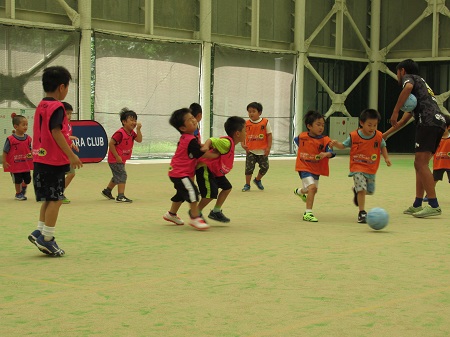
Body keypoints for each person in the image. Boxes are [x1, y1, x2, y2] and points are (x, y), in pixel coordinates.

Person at [27, 66, 83, 257]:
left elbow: (52, 133)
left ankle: (40, 231)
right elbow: (56, 132)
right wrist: (71, 155)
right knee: (57, 199)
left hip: (40, 159)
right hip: (53, 161)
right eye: (67, 87)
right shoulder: (57, 107)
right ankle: (48, 238)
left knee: (49, 199)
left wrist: (69, 144)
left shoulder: (41, 105)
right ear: (61, 87)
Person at [385, 59, 446, 218]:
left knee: (420, 163)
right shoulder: (422, 89)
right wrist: (382, 136)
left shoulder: (410, 78)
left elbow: (408, 87)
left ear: (402, 71)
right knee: (419, 164)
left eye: (398, 72)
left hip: (428, 122)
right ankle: (417, 204)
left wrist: (395, 110)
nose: (398, 76)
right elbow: (403, 122)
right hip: (438, 122)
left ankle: (433, 205)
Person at [331, 109, 391, 223]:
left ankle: (356, 191)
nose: (372, 128)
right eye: (369, 125)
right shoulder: (354, 136)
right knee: (362, 189)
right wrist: (336, 144)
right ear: (362, 123)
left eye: (375, 125)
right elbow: (343, 146)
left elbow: (383, 146)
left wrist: (386, 158)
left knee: (370, 191)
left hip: (371, 168)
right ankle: (362, 212)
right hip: (357, 167)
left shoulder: (378, 136)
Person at [163, 107, 219, 231]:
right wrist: (217, 154)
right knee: (192, 191)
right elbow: (202, 154)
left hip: (178, 172)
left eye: (193, 117)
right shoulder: (190, 140)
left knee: (181, 194)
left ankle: (171, 214)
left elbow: (200, 149)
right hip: (179, 173)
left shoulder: (188, 138)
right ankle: (195, 217)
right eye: (189, 120)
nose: (193, 120)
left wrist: (206, 147)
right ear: (182, 128)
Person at [195, 116, 246, 223]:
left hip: (215, 171)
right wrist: (206, 147)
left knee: (227, 188)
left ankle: (216, 211)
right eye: (245, 130)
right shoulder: (227, 142)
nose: (247, 133)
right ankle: (196, 212)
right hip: (205, 168)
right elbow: (212, 140)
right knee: (211, 194)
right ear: (237, 133)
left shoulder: (230, 144)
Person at [293, 110, 335, 222]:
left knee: (311, 190)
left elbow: (332, 153)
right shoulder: (301, 137)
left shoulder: (326, 140)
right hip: (304, 167)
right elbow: (297, 141)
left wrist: (325, 154)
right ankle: (308, 213)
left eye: (322, 125)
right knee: (313, 188)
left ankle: (300, 191)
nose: (321, 127)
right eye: (318, 124)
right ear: (309, 126)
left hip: (316, 169)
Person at [101, 108, 142, 203]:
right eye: (131, 120)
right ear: (124, 122)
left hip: (121, 159)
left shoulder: (132, 133)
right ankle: (120, 196)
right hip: (115, 159)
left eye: (135, 120)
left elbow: (139, 140)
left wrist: (138, 130)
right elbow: (111, 144)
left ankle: (107, 191)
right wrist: (117, 156)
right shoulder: (120, 133)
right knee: (122, 175)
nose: (134, 122)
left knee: (117, 176)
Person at [241, 102, 272, 191]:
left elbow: (269, 135)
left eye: (253, 111)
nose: (251, 113)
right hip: (250, 151)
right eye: (249, 111)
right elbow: (243, 134)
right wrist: (243, 144)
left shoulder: (265, 122)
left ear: (260, 112)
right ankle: (247, 185)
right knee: (249, 169)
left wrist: (268, 148)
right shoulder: (246, 123)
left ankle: (257, 180)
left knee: (265, 167)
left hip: (263, 151)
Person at [2, 115, 33, 201]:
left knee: (28, 180)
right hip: (15, 165)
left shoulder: (28, 139)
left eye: (26, 124)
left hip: (25, 164)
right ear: (16, 126)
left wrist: (33, 158)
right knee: (17, 180)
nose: (26, 127)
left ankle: (23, 187)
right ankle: (18, 194)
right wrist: (4, 161)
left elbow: (29, 150)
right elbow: (5, 151)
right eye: (23, 125)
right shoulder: (10, 139)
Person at [422, 114, 450, 201]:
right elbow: (431, 151)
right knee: (433, 180)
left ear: (448, 127)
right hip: (438, 164)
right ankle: (429, 195)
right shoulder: (435, 139)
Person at [61, 101, 79, 204]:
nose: (69, 116)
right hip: (58, 155)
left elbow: (66, 140)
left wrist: (72, 144)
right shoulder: (58, 126)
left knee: (71, 174)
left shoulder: (69, 126)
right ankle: (56, 194)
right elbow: (59, 137)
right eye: (66, 113)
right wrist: (69, 137)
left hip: (66, 155)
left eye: (70, 113)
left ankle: (59, 192)